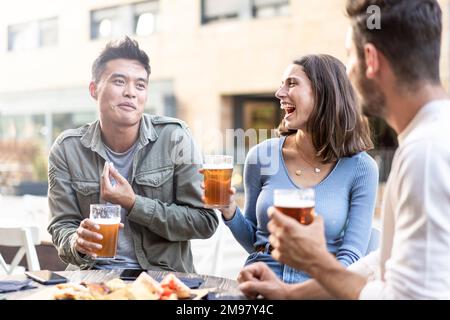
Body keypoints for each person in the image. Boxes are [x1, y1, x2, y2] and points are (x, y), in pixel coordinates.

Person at [238, 0, 450, 299]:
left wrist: (314, 260)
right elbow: (381, 264)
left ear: (371, 60)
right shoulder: (426, 141)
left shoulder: (425, 153)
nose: (347, 75)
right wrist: (288, 293)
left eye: (349, 58)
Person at [47, 37, 218, 272]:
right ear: (94, 89)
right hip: (90, 279)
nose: (131, 93)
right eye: (119, 81)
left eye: (140, 85)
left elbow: (205, 222)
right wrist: (77, 242)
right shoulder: (67, 149)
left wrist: (134, 204)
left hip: (161, 280)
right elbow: (61, 226)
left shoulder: (174, 137)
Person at [211, 54, 379, 283]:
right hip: (261, 280)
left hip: (320, 287)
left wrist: (305, 292)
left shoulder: (361, 168)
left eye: (291, 83)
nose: (279, 93)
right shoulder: (261, 156)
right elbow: (256, 242)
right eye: (282, 84)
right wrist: (229, 210)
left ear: (324, 93)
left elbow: (351, 255)